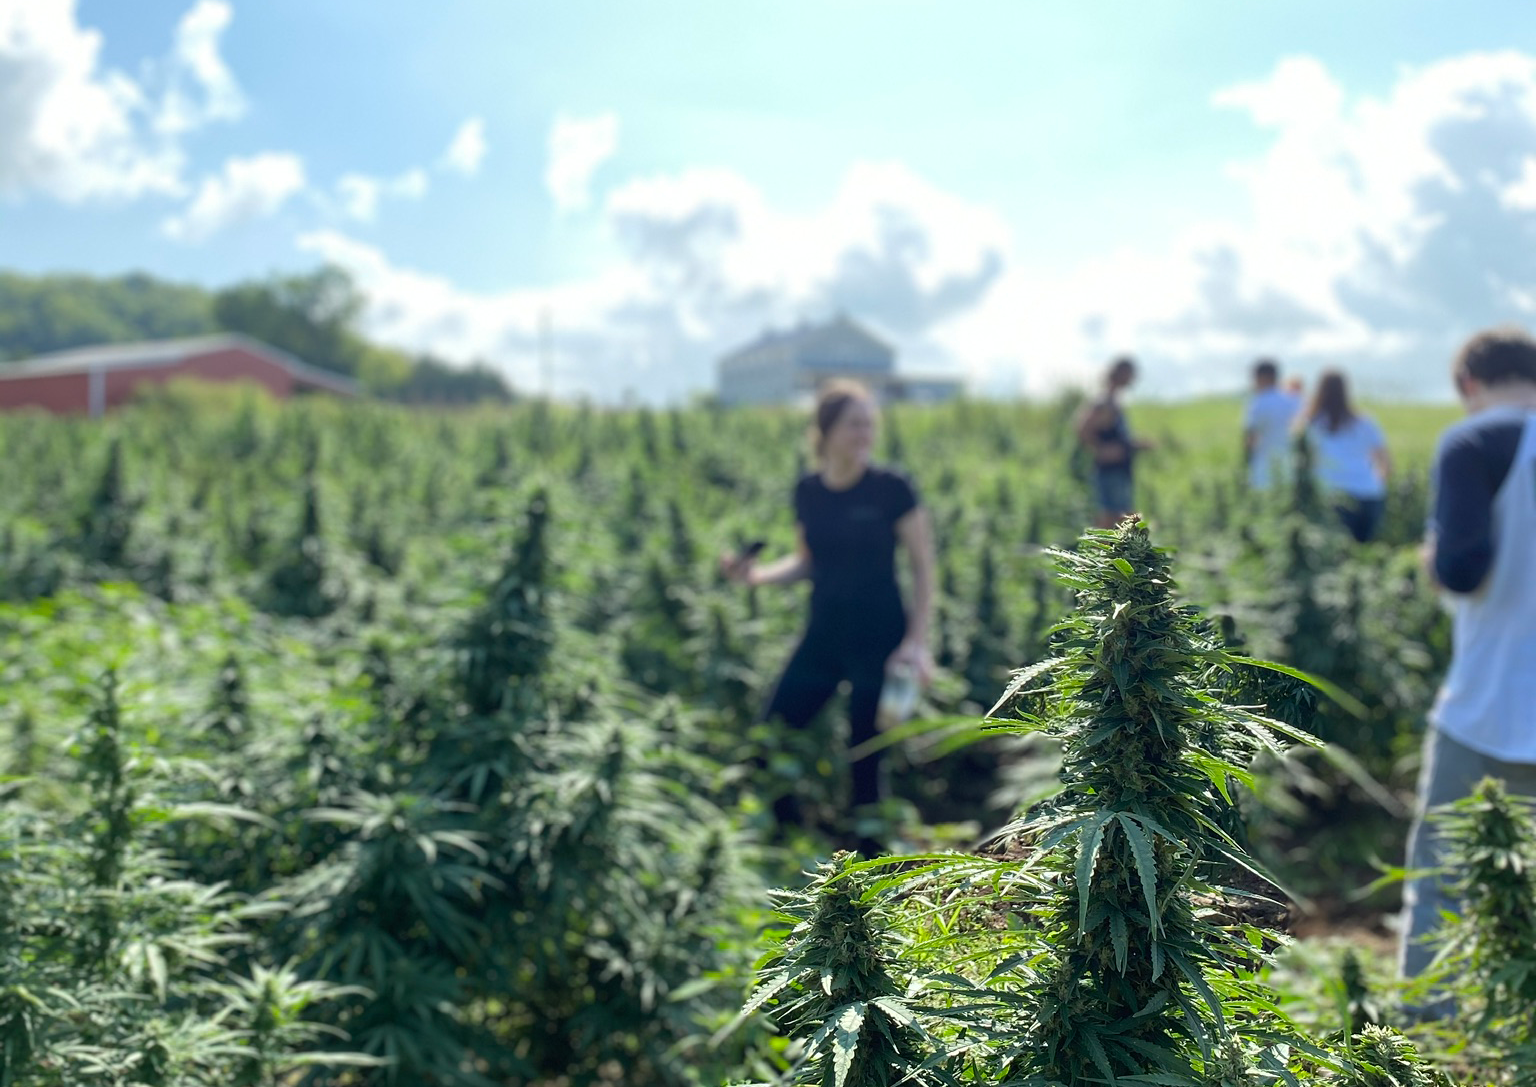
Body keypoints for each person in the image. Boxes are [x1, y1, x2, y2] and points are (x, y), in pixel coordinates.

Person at [721, 380, 935, 856]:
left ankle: (868, 874)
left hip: (881, 639)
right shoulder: (808, 491)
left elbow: (923, 567)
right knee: (771, 739)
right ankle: (792, 849)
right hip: (823, 636)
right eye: (854, 424)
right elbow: (807, 561)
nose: (865, 434)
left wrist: (917, 642)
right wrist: (755, 577)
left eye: (869, 424)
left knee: (866, 761)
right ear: (826, 431)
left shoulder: (892, 488)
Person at [1400, 327, 1536, 988]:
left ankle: (1431, 1023)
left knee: (1444, 874)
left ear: (1468, 385)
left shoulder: (1472, 442)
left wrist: (1430, 559)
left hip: (1490, 705)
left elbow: (1460, 569)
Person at [1298, 370, 1391, 542]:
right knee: (1363, 550)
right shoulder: (1365, 422)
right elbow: (1385, 462)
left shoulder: (1311, 424)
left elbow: (1303, 464)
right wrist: (1375, 484)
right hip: (1369, 495)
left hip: (1332, 496)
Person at [1076, 356, 1151, 527]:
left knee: (1124, 518)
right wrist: (1101, 449)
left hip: (1119, 470)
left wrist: (1136, 445)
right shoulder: (1105, 402)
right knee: (1114, 519)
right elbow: (1081, 428)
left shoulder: (1113, 401)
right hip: (1111, 471)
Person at [1244, 358, 1302, 490]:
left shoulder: (1257, 404)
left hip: (1263, 471)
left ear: (1262, 378)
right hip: (1291, 468)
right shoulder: (1293, 401)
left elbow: (1250, 439)